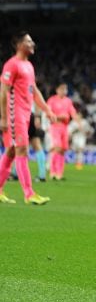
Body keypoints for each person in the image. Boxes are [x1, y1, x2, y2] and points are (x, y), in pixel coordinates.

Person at [0, 31, 57, 205]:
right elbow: (3, 92)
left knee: (10, 151)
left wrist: (47, 109)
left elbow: (34, 91)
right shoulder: (12, 65)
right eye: (28, 41)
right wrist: (3, 118)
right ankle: (29, 193)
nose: (32, 44)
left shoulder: (29, 66)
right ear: (19, 45)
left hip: (26, 113)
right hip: (14, 112)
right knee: (21, 150)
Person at [47, 82, 78, 181]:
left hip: (65, 127)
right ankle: (52, 172)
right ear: (57, 90)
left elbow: (72, 112)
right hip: (55, 126)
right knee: (57, 147)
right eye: (62, 89)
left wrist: (78, 122)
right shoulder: (52, 100)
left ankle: (59, 173)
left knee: (63, 150)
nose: (64, 91)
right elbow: (48, 113)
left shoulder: (68, 101)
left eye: (65, 89)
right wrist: (60, 116)